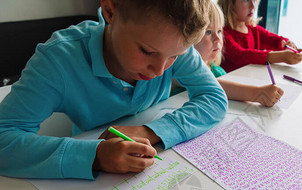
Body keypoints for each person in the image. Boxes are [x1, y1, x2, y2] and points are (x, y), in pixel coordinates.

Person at [0, 0, 227, 179]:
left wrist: (150, 131)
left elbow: (214, 97)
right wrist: (95, 156)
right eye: (147, 52)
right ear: (110, 11)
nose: (159, 70)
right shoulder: (58, 60)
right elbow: (4, 138)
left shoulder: (173, 43)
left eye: (174, 57)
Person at [193, 1, 284, 107]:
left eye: (219, 31)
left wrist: (285, 44)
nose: (218, 39)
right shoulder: (184, 67)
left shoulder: (218, 71)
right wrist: (258, 93)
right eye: (208, 32)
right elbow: (209, 84)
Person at [218, 0, 302, 72]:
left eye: (255, 0)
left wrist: (289, 44)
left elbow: (275, 40)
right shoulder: (221, 33)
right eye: (246, 0)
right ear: (229, 4)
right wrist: (281, 57)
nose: (253, 6)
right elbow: (241, 56)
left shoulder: (253, 29)